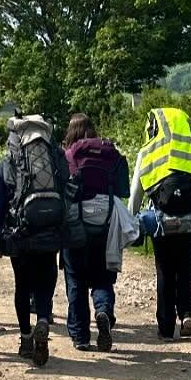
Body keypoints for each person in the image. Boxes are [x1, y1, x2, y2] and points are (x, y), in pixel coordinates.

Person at [130, 104, 191, 340]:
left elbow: (137, 191)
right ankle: (187, 314)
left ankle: (166, 326)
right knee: (185, 266)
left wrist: (132, 220)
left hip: (161, 221)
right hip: (190, 219)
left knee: (165, 269)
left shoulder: (149, 151)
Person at [0, 113, 69, 365]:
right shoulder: (55, 157)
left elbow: (0, 203)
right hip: (50, 229)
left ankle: (26, 338)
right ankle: (44, 320)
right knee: (46, 281)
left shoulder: (10, 160)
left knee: (22, 285)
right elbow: (67, 189)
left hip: (20, 232)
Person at [61, 113, 131, 350]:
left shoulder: (69, 155)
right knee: (102, 276)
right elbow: (124, 190)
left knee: (76, 278)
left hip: (76, 220)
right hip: (107, 219)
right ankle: (102, 311)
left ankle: (80, 337)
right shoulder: (111, 153)